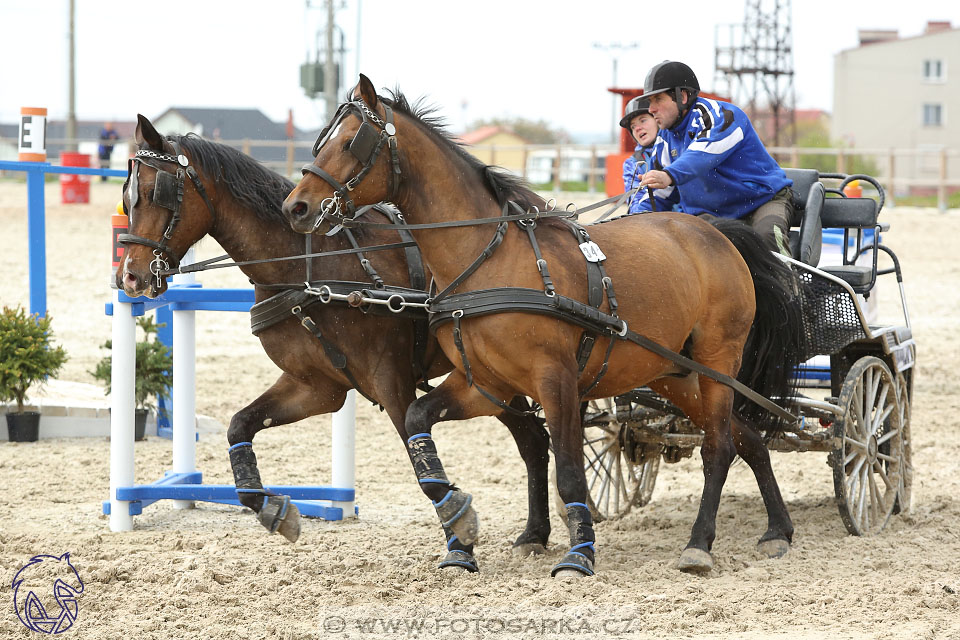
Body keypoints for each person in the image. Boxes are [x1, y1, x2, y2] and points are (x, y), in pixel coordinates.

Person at [635, 61, 794, 255]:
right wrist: (631, 223)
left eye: (658, 99)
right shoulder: (663, 142)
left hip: (764, 201)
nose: (651, 109)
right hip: (717, 216)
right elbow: (657, 195)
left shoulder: (721, 116)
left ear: (682, 97)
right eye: (650, 102)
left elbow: (704, 153)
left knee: (768, 235)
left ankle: (789, 284)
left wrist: (669, 174)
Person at [620, 96, 671, 214]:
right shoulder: (632, 164)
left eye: (643, 120)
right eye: (633, 127)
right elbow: (635, 203)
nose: (637, 128)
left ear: (657, 120)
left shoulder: (678, 145)